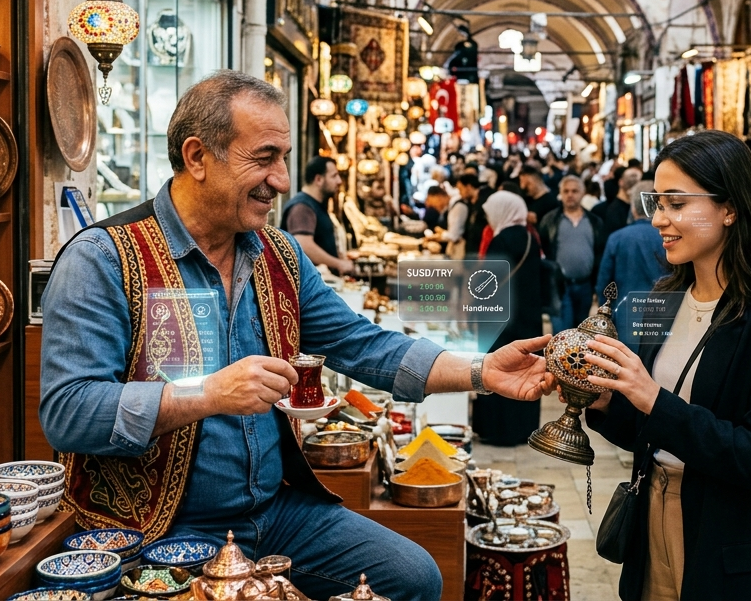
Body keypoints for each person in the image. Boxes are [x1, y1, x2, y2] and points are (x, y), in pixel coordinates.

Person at [40, 72, 553, 601]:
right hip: (161, 528)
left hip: (276, 511)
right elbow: (68, 412)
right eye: (263, 158)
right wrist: (207, 394)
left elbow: (365, 345)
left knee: (414, 576)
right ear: (197, 157)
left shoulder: (277, 255)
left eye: (284, 158)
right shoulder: (104, 258)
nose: (282, 180)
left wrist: (480, 371)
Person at [581, 130, 751, 600]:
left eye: (676, 204)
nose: (660, 220)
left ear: (730, 209)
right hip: (653, 515)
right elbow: (652, 429)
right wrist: (609, 401)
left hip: (729, 535)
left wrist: (652, 398)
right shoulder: (665, 297)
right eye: (657, 203)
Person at [471, 191, 546, 446]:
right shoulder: (530, 238)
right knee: (526, 370)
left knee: (496, 370)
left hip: (500, 322)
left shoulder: (501, 240)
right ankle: (523, 429)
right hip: (527, 319)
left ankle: (497, 430)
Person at [540, 175, 607, 331]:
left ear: (582, 193)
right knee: (562, 332)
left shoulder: (595, 222)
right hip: (559, 287)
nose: (570, 195)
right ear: (561, 194)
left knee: (581, 332)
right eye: (566, 191)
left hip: (585, 286)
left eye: (574, 191)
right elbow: (544, 253)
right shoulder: (549, 221)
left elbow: (599, 254)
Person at [596, 180, 668, 302]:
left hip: (625, 311)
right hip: (664, 310)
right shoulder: (668, 237)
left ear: (633, 208)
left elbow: (604, 283)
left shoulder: (616, 238)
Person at [281, 155, 354, 276]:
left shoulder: (315, 205)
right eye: (334, 176)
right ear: (319, 179)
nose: (339, 181)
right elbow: (303, 244)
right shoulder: (302, 207)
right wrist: (338, 263)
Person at [592, 164, 642, 237]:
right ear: (620, 182)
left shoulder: (615, 208)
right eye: (631, 179)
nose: (633, 181)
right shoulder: (614, 211)